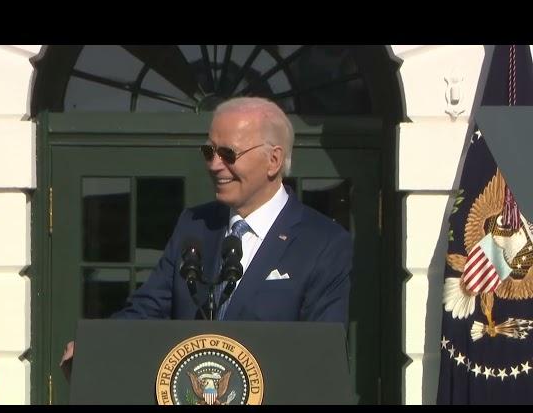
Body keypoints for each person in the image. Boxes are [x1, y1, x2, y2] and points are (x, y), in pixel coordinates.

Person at [60, 97, 352, 373]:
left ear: (273, 161)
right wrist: (98, 347)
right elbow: (148, 309)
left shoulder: (323, 243)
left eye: (228, 154)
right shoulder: (195, 224)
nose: (214, 164)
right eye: (209, 152)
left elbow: (320, 356)